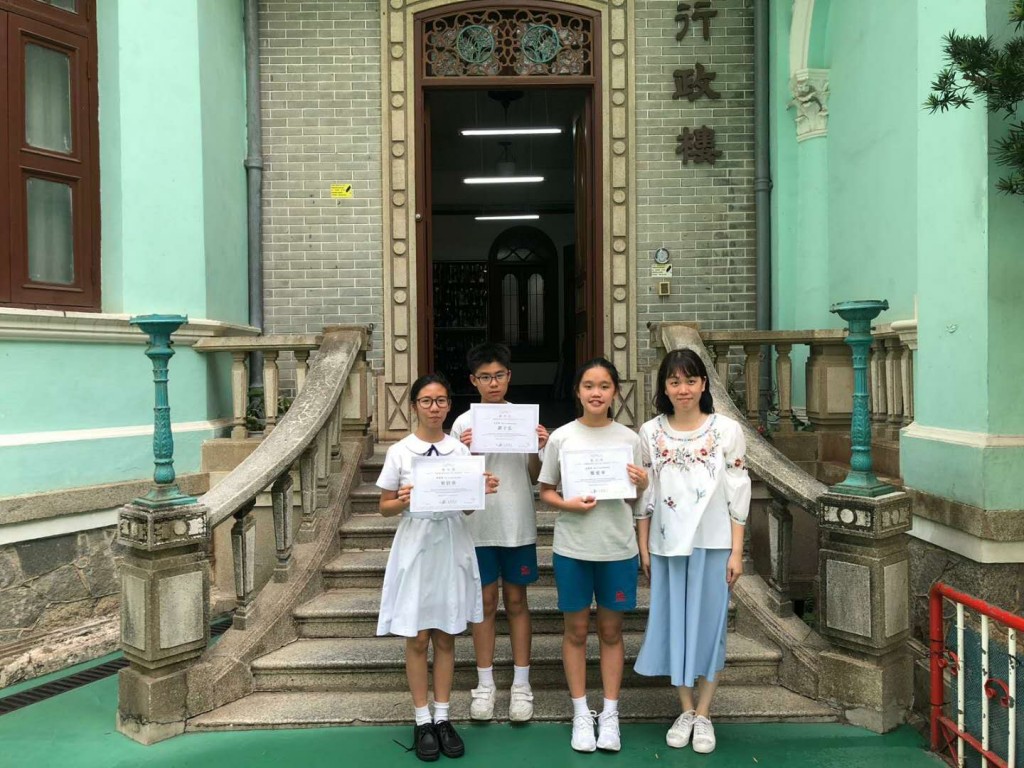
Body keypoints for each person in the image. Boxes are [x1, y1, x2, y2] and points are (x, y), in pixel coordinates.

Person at [376, 373, 500, 762]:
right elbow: (384, 507)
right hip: (416, 545)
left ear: (449, 405)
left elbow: (467, 509)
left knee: (446, 634)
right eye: (427, 401)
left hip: (451, 543)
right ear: (414, 406)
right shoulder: (400, 451)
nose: (435, 407)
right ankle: (421, 719)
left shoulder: (460, 452)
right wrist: (403, 499)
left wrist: (480, 490)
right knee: (417, 637)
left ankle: (443, 717)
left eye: (441, 400)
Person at [633, 349, 751, 755]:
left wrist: (737, 551)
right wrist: (643, 545)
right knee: (675, 625)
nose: (682, 389)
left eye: (690, 380)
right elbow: (646, 493)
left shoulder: (727, 431)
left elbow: (738, 490)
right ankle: (685, 709)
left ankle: (704, 713)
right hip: (666, 546)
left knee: (710, 627)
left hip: (713, 544)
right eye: (674, 382)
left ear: (703, 384)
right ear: (664, 388)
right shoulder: (650, 432)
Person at [537, 357, 648, 753]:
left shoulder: (630, 439)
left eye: (604, 386)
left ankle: (611, 713)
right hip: (574, 548)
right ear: (578, 391)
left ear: (615, 391)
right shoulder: (562, 438)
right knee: (576, 631)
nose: (596, 393)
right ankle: (582, 713)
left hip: (617, 547)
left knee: (612, 632)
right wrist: (568, 504)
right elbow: (546, 491)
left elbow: (637, 498)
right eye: (589, 385)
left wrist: (643, 482)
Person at [450, 343, 549, 723]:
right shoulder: (463, 424)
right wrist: (468, 452)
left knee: (518, 601)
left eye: (499, 375)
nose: (493, 383)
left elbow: (536, 476)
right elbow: (456, 483)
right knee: (485, 603)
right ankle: (485, 684)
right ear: (473, 381)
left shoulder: (523, 419)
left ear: (509, 376)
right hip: (478, 526)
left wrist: (538, 447)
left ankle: (521, 685)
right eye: (485, 377)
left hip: (516, 521)